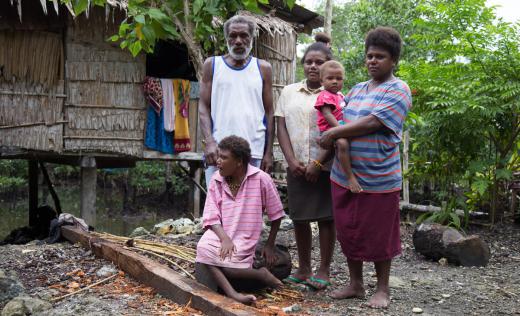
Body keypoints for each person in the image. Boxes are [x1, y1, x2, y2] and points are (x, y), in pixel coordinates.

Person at [319, 27, 412, 308]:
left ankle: (382, 288)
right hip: (343, 175)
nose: (373, 61)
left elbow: (373, 123)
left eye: (380, 57)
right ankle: (356, 283)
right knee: (349, 228)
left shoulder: (398, 89)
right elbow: (338, 117)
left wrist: (335, 133)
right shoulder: (357, 89)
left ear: (393, 60)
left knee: (380, 233)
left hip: (379, 177)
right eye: (369, 56)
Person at [275, 38, 336, 290]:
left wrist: (318, 163)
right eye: (309, 62)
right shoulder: (289, 92)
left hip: (326, 166)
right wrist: (290, 160)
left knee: (326, 218)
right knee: (299, 217)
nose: (313, 66)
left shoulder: (334, 93)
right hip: (296, 165)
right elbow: (281, 125)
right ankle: (303, 268)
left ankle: (323, 270)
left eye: (319, 62)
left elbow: (338, 131)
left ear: (327, 66)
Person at [195, 135, 285, 305]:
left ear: (239, 162)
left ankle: (262, 274)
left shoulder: (261, 179)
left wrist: (270, 244)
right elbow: (211, 216)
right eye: (219, 156)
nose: (218, 161)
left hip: (245, 236)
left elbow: (276, 214)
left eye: (224, 157)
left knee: (230, 269)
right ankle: (233, 294)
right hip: (221, 234)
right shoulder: (216, 180)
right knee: (203, 247)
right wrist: (224, 239)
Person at [198, 15, 274, 187]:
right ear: (226, 39)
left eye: (244, 35)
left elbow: (269, 112)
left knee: (250, 207)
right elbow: (203, 106)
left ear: (251, 37)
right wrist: (209, 141)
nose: (238, 41)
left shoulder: (263, 68)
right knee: (218, 206)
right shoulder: (212, 65)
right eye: (233, 36)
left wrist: (268, 152)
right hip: (219, 150)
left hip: (254, 150)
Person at [314, 60, 362, 193]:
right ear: (322, 81)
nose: (335, 81)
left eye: (339, 78)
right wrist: (340, 131)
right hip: (330, 129)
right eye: (330, 78)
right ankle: (350, 177)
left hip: (338, 127)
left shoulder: (340, 95)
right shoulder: (324, 95)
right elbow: (327, 114)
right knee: (342, 144)